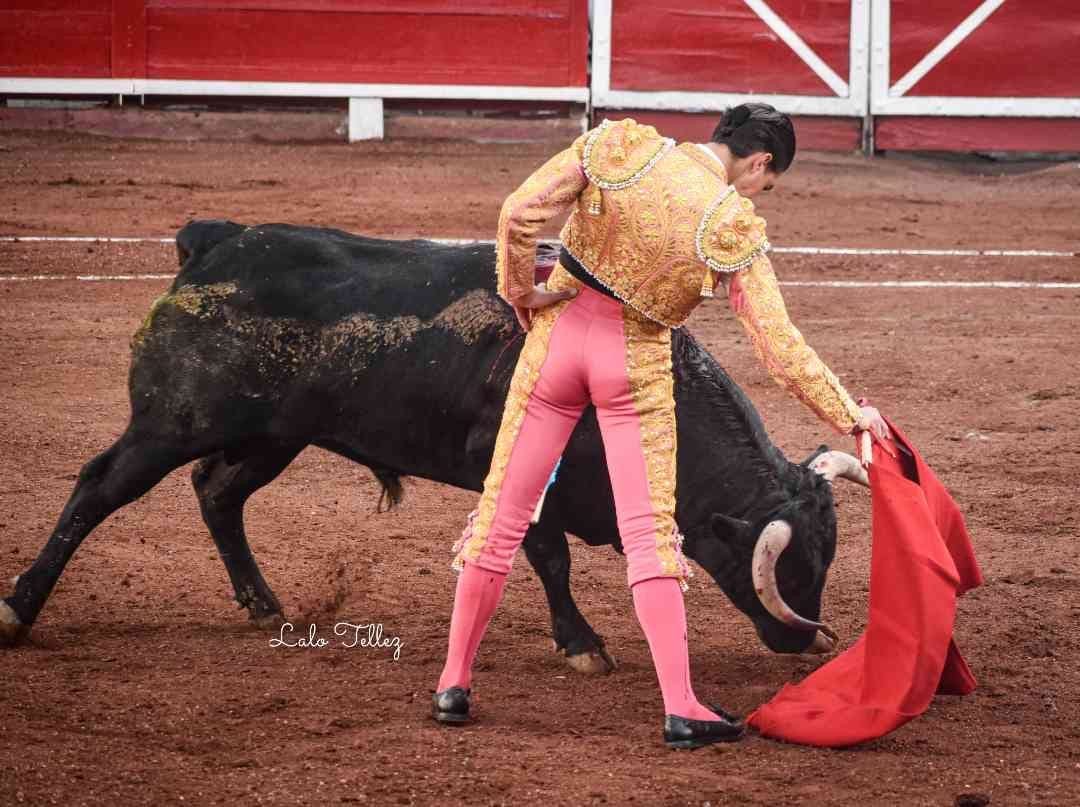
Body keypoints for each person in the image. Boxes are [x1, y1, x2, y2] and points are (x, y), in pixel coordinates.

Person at [431, 103, 889, 749]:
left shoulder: (620, 146)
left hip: (554, 346)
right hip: (633, 367)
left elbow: (518, 213)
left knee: (502, 517)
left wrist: (521, 292)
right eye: (767, 182)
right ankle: (680, 707)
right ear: (759, 162)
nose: (758, 193)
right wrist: (849, 413)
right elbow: (778, 345)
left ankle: (453, 682)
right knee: (649, 535)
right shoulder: (729, 221)